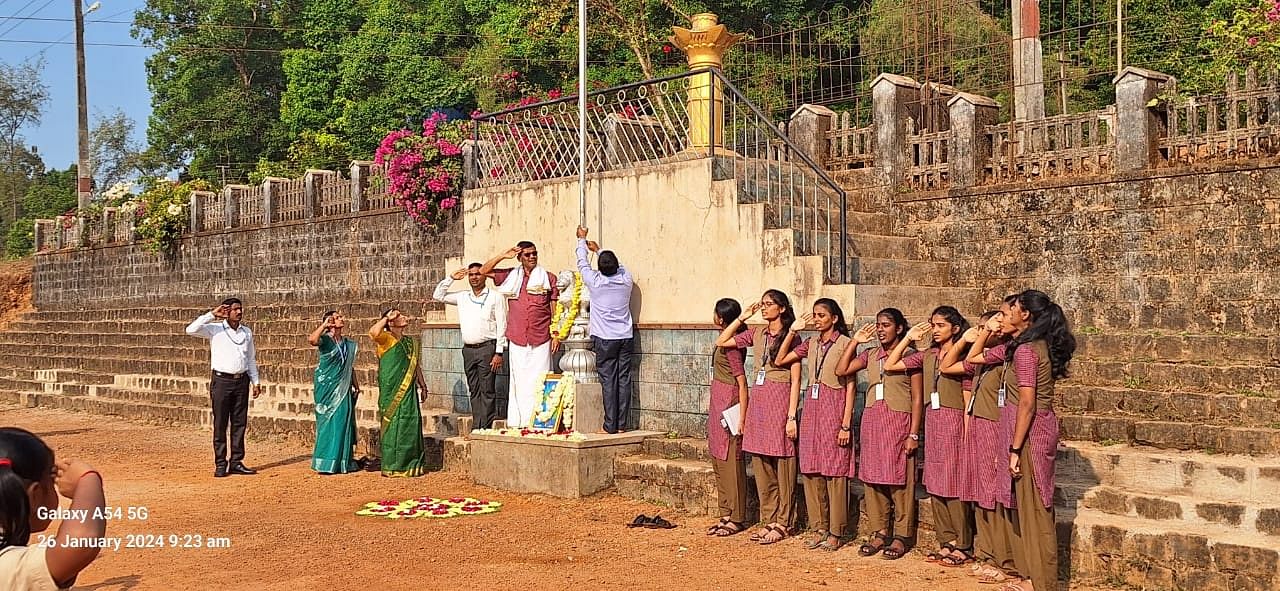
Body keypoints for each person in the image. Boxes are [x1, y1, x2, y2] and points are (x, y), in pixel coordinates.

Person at [969, 290, 1076, 591]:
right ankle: (1031, 576)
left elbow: (1027, 403)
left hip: (1030, 433)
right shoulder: (1023, 347)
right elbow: (975, 357)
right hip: (1026, 428)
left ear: (1026, 314)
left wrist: (1015, 449)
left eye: (1010, 310)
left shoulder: (1028, 351)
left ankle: (1042, 583)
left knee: (1036, 509)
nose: (1004, 316)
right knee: (1026, 507)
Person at [885, 306, 973, 567]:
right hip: (933, 423)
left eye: (940, 325)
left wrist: (968, 433)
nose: (935, 330)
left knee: (954, 482)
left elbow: (968, 395)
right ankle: (946, 541)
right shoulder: (927, 355)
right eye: (932, 325)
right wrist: (908, 338)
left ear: (955, 329)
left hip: (954, 420)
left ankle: (963, 543)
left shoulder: (962, 355)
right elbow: (890, 365)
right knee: (935, 482)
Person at [714, 289, 802, 546]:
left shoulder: (791, 337)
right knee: (762, 464)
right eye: (762, 304)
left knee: (783, 463)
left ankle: (784, 521)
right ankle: (769, 517)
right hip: (760, 402)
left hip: (780, 398)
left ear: (782, 308)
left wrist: (791, 416)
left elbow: (796, 379)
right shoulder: (757, 333)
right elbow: (723, 341)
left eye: (769, 304)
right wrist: (742, 318)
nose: (764, 308)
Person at [834, 307, 922, 560]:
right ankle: (879, 530)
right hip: (874, 421)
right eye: (878, 325)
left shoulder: (910, 356)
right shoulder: (871, 354)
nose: (881, 330)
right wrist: (855, 342)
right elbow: (842, 370)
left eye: (886, 325)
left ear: (900, 328)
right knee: (873, 478)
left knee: (900, 479)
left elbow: (917, 399)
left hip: (899, 421)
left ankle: (902, 535)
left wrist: (914, 433)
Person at [773, 298, 857, 552]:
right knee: (811, 469)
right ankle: (819, 526)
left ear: (834, 318)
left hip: (834, 406)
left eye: (822, 315)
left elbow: (851, 386)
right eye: (815, 315)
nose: (817, 319)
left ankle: (836, 530)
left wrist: (845, 424)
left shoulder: (844, 344)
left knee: (835, 471)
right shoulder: (811, 343)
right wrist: (794, 330)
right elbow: (780, 359)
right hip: (812, 407)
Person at [943, 310, 1018, 584]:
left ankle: (1004, 559)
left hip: (995, 430)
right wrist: (965, 340)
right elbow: (946, 365)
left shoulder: (1003, 361)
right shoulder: (981, 364)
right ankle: (987, 553)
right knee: (981, 495)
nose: (982, 332)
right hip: (977, 429)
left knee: (995, 498)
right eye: (980, 327)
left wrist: (987, 332)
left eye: (987, 328)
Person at [0, 427, 106, 591]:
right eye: (51, 483)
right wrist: (88, 479)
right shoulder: (8, 566)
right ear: (35, 496)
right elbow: (81, 541)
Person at [480, 241, 560, 428]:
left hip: (541, 337)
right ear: (519, 258)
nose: (532, 257)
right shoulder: (510, 276)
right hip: (517, 337)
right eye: (527, 255)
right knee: (520, 381)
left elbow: (554, 308)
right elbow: (483, 271)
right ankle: (521, 422)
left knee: (541, 378)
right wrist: (502, 255)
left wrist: (556, 334)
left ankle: (542, 420)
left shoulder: (548, 277)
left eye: (534, 254)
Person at [185, 297, 261, 478]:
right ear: (227, 311)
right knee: (220, 424)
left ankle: (236, 461)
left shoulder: (246, 332)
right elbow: (190, 330)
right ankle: (220, 463)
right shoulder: (215, 329)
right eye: (235, 309)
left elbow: (250, 358)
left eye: (240, 309)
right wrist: (212, 314)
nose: (239, 312)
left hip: (241, 381)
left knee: (239, 423)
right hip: (221, 381)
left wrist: (255, 381)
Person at [575, 226, 635, 433]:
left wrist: (581, 240)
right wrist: (599, 250)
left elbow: (581, 263)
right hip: (626, 336)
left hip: (605, 338)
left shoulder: (595, 282)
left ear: (599, 269)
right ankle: (621, 425)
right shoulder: (626, 280)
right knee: (624, 378)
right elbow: (622, 267)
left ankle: (610, 425)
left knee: (608, 380)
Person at [433, 263, 508, 429]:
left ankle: (485, 427)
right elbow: (438, 295)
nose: (474, 277)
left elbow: (502, 325)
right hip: (468, 350)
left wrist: (499, 352)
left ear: (484, 276)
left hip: (488, 348)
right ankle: (477, 423)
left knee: (487, 389)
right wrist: (451, 278)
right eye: (471, 274)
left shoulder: (495, 297)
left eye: (478, 274)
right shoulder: (463, 296)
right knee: (474, 388)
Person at [704, 298, 749, 537]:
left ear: (721, 318)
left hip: (730, 402)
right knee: (719, 458)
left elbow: (742, 382)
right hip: (718, 402)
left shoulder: (731, 346)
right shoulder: (725, 339)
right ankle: (725, 512)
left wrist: (741, 415)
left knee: (731, 460)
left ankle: (737, 515)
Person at [368, 309, 428, 477]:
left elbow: (415, 365)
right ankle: (392, 465)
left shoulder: (411, 342)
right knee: (393, 423)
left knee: (410, 422)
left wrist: (423, 385)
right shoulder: (386, 339)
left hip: (409, 390)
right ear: (390, 323)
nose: (403, 317)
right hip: (391, 390)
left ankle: (411, 464)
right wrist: (387, 317)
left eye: (401, 314)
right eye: (399, 316)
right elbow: (373, 332)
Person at [307, 310, 360, 474]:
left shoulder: (348, 344)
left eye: (340, 317)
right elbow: (312, 340)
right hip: (327, 387)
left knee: (343, 420)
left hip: (344, 386)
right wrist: (324, 325)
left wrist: (356, 385)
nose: (340, 319)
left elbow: (349, 366)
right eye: (336, 318)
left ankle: (343, 461)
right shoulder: (326, 340)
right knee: (328, 421)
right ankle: (325, 462)